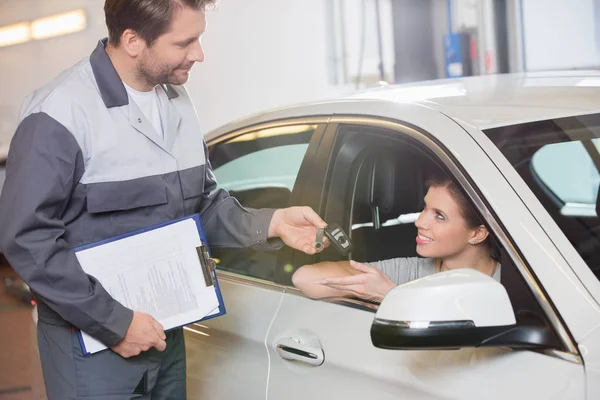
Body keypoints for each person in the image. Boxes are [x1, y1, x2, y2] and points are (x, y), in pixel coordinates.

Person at [0, 0, 328, 398]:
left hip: (166, 329)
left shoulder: (175, 100)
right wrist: (116, 324)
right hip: (92, 343)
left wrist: (271, 222)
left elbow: (201, 203)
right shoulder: (59, 114)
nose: (199, 54)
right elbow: (27, 239)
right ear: (134, 41)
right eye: (184, 42)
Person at [293, 170, 501, 303]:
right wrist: (388, 293)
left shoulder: (513, 286)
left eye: (439, 216)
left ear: (477, 233)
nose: (419, 222)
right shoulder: (409, 271)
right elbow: (304, 278)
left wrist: (394, 296)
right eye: (424, 208)